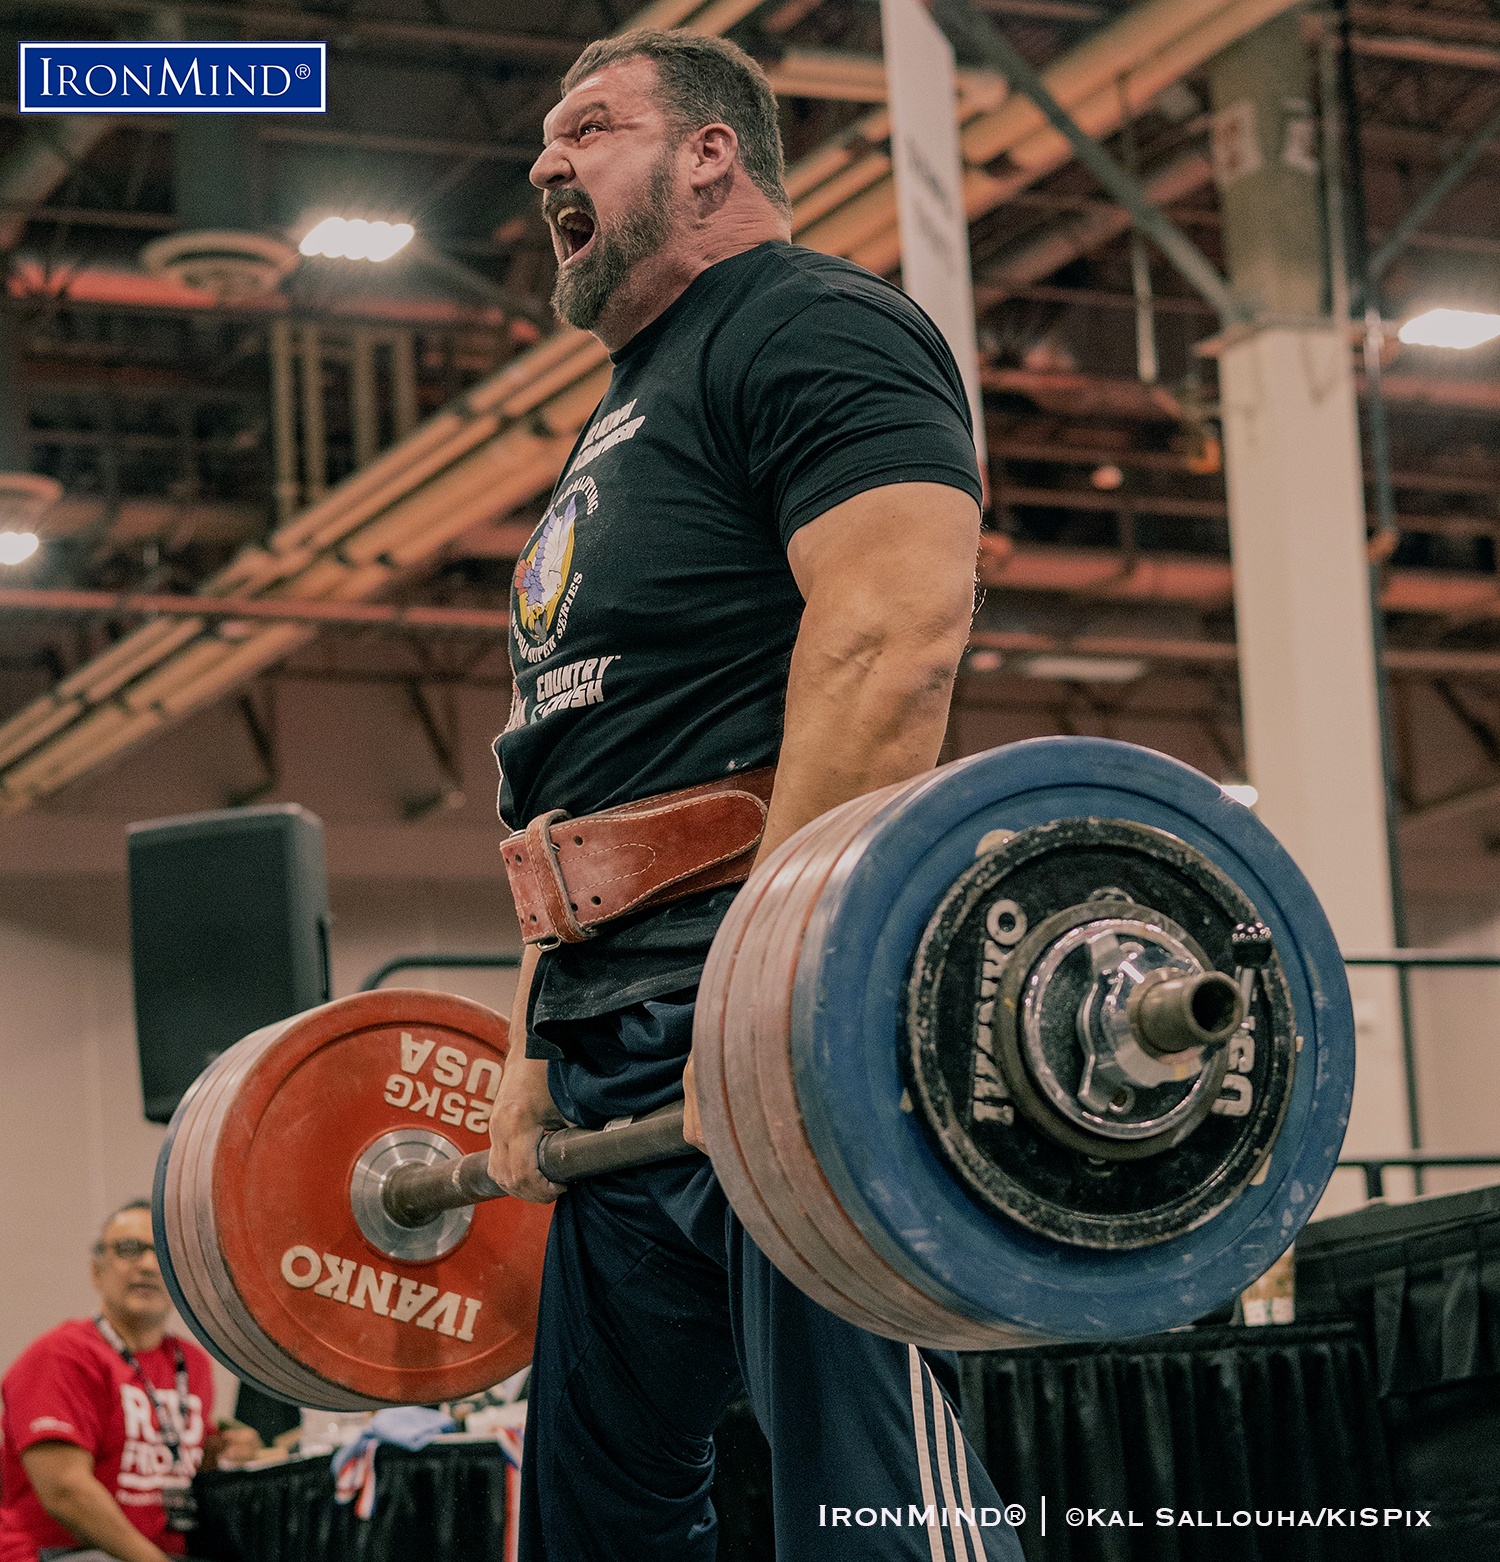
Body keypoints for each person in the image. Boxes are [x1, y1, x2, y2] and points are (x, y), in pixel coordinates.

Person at [486, 28, 1025, 1562]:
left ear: (711, 153)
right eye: (546, 135)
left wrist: (780, 989)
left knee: (873, 1500)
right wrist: (534, 1045)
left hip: (757, 1016)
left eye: (588, 126)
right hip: (613, 1044)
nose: (545, 161)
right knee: (598, 1521)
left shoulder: (813, 322)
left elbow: (892, 634)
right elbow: (570, 764)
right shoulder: (618, 410)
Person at [0, 1200, 258, 1562]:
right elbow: (65, 1492)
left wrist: (221, 1450)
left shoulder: (192, 1361)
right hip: (62, 1553)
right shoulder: (60, 1355)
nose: (149, 1265)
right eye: (129, 1249)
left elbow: (164, 1455)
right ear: (96, 1271)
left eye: (163, 1254)